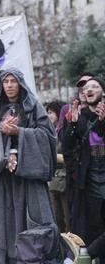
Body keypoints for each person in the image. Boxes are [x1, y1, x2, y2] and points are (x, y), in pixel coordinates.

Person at [0, 68, 57, 263]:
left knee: (32, 220)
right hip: (3, 177)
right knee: (3, 224)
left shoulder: (34, 107)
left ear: (21, 84)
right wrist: (0, 131)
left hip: (28, 177)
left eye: (13, 81)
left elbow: (47, 136)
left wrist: (19, 133)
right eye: (5, 82)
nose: (9, 85)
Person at [62, 77, 105, 262]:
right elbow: (67, 147)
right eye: (87, 88)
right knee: (94, 225)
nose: (90, 89)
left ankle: (89, 254)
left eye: (95, 86)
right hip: (90, 179)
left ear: (103, 92)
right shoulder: (80, 115)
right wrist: (72, 124)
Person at [46, 101, 69, 233]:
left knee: (67, 217)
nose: (48, 116)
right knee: (57, 217)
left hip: (64, 180)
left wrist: (53, 157)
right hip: (53, 181)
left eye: (51, 113)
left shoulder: (64, 131)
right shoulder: (52, 131)